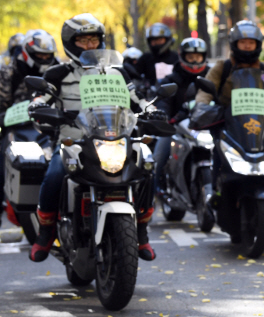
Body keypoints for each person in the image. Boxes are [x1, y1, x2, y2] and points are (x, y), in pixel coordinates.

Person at [28, 13, 166, 263]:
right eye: (83, 41)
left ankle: (142, 230)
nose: (90, 45)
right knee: (55, 174)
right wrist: (37, 105)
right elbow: (42, 97)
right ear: (71, 43)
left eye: (94, 40)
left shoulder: (117, 73)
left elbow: (138, 99)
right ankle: (46, 232)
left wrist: (152, 110)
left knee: (147, 165)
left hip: (116, 139)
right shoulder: (58, 74)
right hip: (74, 143)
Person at [194, 20, 264, 205]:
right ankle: (218, 191)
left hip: (262, 124)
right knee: (218, 148)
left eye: (251, 42)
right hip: (228, 123)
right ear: (235, 44)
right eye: (243, 42)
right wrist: (202, 106)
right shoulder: (222, 67)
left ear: (258, 45)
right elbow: (205, 92)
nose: (247, 46)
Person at [0, 30, 58, 227]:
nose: (43, 59)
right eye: (39, 55)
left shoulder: (58, 68)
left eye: (46, 56)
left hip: (50, 126)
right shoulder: (7, 69)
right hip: (14, 126)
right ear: (26, 52)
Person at [154, 37, 209, 195]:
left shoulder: (211, 77)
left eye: (198, 56)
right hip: (176, 128)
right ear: (182, 56)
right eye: (190, 56)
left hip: (207, 127)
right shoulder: (171, 79)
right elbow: (163, 100)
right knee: (157, 157)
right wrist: (164, 116)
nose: (195, 60)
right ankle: (152, 195)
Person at [135, 23, 179, 88]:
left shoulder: (175, 58)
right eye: (153, 40)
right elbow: (135, 74)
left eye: (159, 40)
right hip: (149, 96)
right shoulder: (145, 58)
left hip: (173, 95)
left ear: (167, 39)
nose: (156, 43)